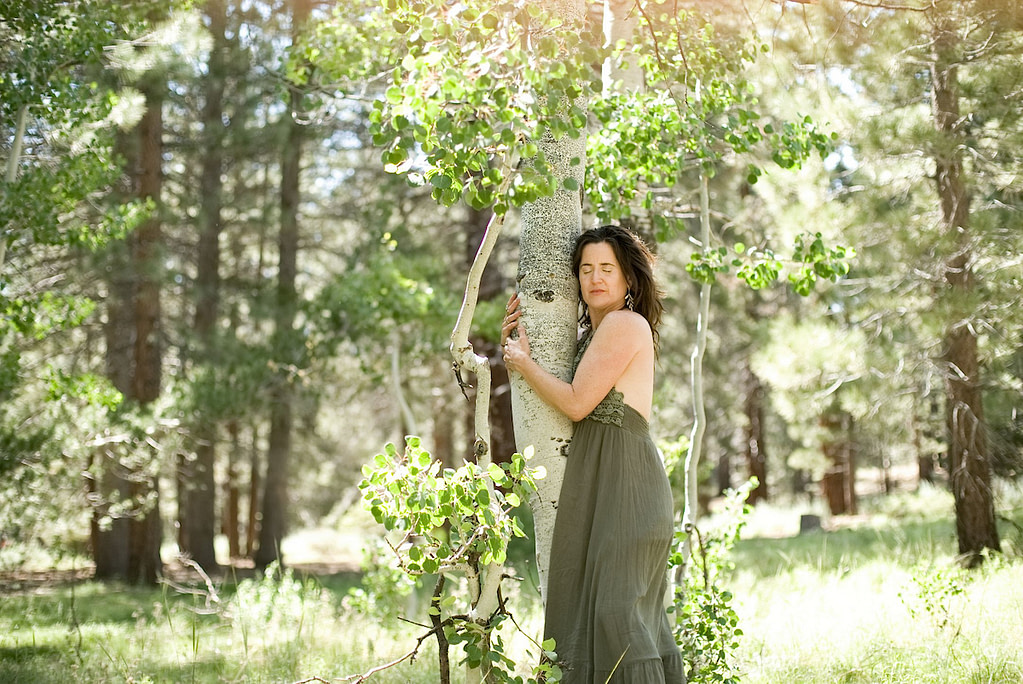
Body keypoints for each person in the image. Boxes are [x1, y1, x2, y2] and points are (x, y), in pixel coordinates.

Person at [501, 225, 684, 683]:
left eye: (607, 268)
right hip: (604, 483)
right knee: (607, 617)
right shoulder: (593, 333)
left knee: (618, 618)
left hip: (628, 486)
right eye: (585, 269)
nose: (595, 278)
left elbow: (579, 402)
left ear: (628, 280)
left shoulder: (625, 323)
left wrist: (523, 363)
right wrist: (524, 339)